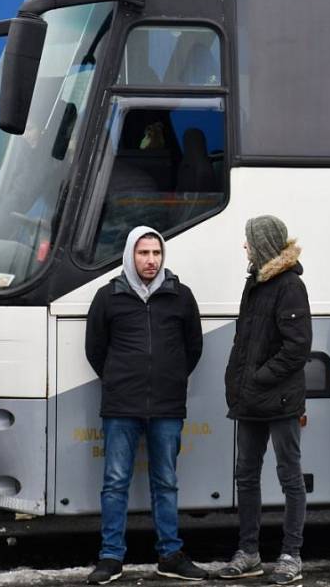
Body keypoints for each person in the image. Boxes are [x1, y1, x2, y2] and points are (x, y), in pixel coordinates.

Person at [85, 226, 206, 585]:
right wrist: (119, 378)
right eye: (143, 253)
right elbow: (95, 349)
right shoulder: (108, 296)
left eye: (156, 253)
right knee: (115, 482)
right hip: (121, 405)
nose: (150, 260)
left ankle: (170, 554)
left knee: (166, 482)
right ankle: (111, 558)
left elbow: (193, 347)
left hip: (167, 406)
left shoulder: (180, 296)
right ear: (129, 255)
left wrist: (171, 378)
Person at [219, 215, 312, 586]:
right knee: (246, 474)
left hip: (280, 399)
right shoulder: (255, 283)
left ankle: (292, 555)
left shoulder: (289, 285)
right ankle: (249, 552)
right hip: (251, 399)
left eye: (249, 241)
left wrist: (258, 378)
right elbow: (247, 341)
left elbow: (297, 347)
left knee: (290, 475)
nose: (245, 247)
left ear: (262, 245)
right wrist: (240, 382)